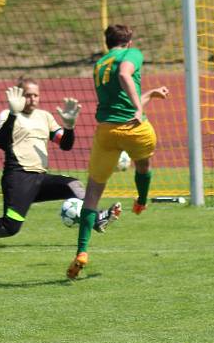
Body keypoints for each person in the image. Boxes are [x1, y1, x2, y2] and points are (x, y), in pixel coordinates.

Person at [0, 76, 121, 249]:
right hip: (18, 178)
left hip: (40, 179)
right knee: (9, 227)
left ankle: (97, 218)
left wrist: (69, 127)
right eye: (28, 95)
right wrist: (12, 113)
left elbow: (65, 145)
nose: (32, 99)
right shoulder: (6, 114)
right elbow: (0, 142)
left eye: (36, 95)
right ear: (19, 95)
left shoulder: (45, 116)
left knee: (74, 185)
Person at [66, 24, 170, 280]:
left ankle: (82, 251)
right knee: (143, 165)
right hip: (134, 129)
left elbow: (116, 103)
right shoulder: (131, 54)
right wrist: (139, 106)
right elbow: (125, 75)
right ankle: (141, 201)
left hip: (106, 131)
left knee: (92, 192)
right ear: (129, 40)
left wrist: (148, 95)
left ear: (107, 42)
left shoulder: (100, 64)